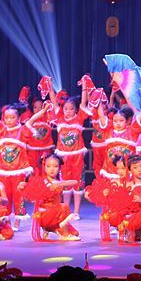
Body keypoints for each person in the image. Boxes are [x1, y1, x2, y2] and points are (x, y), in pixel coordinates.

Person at [48, 80, 91, 219]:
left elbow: (83, 102)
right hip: (63, 158)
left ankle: (76, 211)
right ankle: (65, 210)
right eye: (66, 108)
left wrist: (84, 86)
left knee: (78, 184)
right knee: (65, 184)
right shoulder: (59, 118)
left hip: (77, 157)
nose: (68, 111)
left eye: (71, 108)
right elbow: (53, 101)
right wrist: (49, 85)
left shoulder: (79, 118)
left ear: (75, 110)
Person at [30, 154, 82, 241]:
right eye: (48, 166)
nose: (52, 169)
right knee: (64, 207)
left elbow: (75, 182)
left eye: (55, 166)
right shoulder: (42, 181)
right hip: (45, 214)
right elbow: (31, 195)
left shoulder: (58, 181)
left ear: (59, 168)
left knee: (75, 233)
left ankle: (51, 228)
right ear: (44, 167)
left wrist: (59, 184)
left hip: (56, 214)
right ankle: (64, 235)